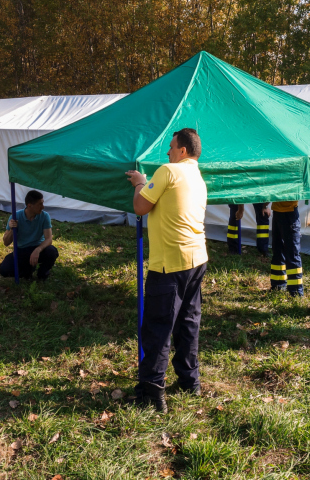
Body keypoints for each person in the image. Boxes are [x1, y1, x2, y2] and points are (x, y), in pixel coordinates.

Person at [125, 128, 208, 413]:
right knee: (188, 322)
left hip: (169, 263)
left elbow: (140, 206)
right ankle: (190, 381)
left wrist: (140, 182)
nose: (168, 152)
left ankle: (152, 391)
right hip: (197, 259)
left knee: (158, 327)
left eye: (171, 147)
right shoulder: (198, 177)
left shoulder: (168, 171)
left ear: (183, 150)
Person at [0, 190, 59, 281]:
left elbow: (49, 239)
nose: (43, 207)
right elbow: (6, 242)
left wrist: (37, 250)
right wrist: (12, 229)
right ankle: (27, 271)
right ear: (30, 206)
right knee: (4, 270)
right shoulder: (15, 217)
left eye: (43, 203)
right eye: (40, 204)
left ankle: (42, 274)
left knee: (52, 252)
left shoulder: (44, 216)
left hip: (38, 247)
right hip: (22, 250)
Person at [269, 200, 303, 297]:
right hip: (277, 212)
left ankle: (296, 292)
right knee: (277, 251)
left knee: (292, 254)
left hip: (289, 214)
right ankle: (278, 285)